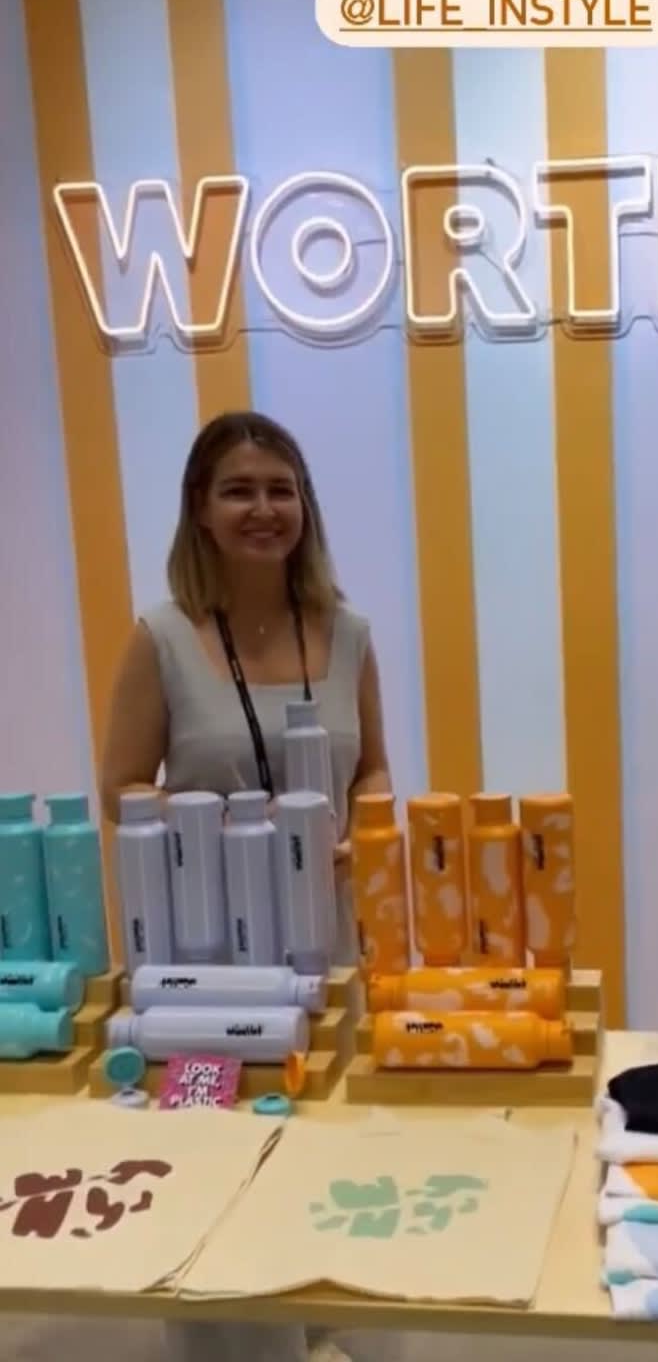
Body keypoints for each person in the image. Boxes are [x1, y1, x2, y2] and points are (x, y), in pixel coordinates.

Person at [100, 409, 392, 1362]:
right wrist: (229, 836)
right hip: (205, 959)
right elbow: (121, 790)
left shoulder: (347, 633)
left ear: (303, 504)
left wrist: (362, 829)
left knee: (334, 1148)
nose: (264, 509)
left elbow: (375, 771)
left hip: (330, 938)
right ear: (200, 509)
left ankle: (337, 1328)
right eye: (239, 489)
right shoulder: (164, 638)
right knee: (215, 1156)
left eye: (280, 489)